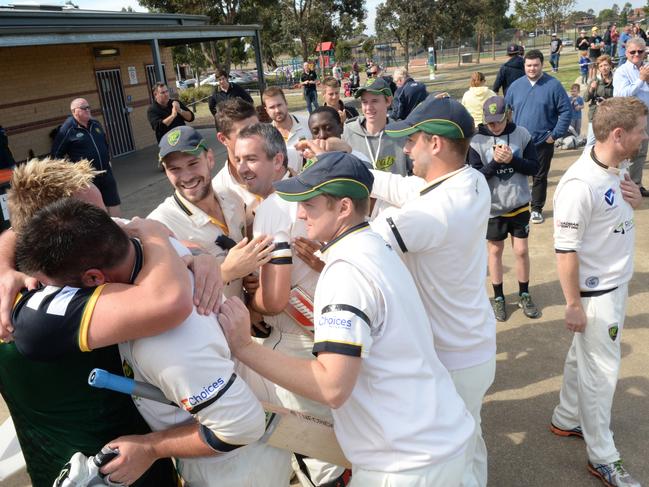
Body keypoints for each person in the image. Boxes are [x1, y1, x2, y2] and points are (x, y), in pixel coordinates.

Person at [220, 150, 475, 487]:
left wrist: (243, 347)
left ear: (343, 208)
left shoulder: (345, 272)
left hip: (405, 462)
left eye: (310, 204)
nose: (300, 213)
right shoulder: (373, 246)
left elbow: (331, 386)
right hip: (440, 438)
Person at [13, 200, 293, 487]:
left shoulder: (170, 343)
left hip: (235, 469)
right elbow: (139, 225)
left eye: (57, 288)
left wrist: (151, 448)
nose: (47, 292)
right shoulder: (133, 242)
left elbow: (242, 425)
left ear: (95, 278)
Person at [0, 159, 201, 487]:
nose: (114, 228)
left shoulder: (39, 269)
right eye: (100, 219)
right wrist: (155, 235)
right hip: (114, 472)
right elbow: (167, 300)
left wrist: (200, 256)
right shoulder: (47, 310)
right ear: (55, 232)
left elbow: (14, 231)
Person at [370, 95, 496, 487]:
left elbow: (360, 247)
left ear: (436, 144)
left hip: (450, 356)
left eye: (412, 140)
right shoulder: (470, 178)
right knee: (470, 439)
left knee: (448, 459)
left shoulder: (432, 213)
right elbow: (408, 188)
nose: (405, 148)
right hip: (472, 345)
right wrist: (353, 165)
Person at [234, 123, 349, 486]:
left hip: (297, 341)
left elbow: (275, 299)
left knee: (315, 449)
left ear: (278, 160)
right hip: (335, 330)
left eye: (252, 158)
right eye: (238, 159)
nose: (242, 167)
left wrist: (250, 300)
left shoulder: (272, 207)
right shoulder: (311, 191)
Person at [550, 97, 645, 487]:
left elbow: (611, 215)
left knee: (582, 359)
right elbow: (565, 250)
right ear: (619, 135)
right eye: (641, 129)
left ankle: (567, 417)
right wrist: (573, 304)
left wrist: (636, 200)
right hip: (596, 295)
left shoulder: (614, 165)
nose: (646, 135)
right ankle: (603, 456)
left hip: (613, 285)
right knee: (601, 374)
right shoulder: (578, 185)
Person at [147, 126, 274, 300]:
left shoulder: (232, 199)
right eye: (174, 169)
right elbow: (163, 295)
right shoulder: (160, 225)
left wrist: (245, 279)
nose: (186, 176)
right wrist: (226, 273)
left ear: (210, 159)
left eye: (193, 163)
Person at [468, 96, 540, 322]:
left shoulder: (522, 134)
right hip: (493, 208)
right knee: (495, 252)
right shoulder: (476, 141)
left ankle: (524, 293)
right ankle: (498, 297)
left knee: (520, 251)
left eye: (498, 121)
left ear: (507, 115)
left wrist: (513, 160)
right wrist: (496, 163)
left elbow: (534, 167)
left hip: (518, 204)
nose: (495, 127)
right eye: (490, 123)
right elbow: (475, 177)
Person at [505, 49, 571, 224]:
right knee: (516, 174)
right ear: (524, 66)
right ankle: (516, 206)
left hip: (543, 141)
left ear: (542, 65)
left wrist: (555, 135)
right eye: (528, 65)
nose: (532, 69)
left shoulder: (553, 85)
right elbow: (506, 110)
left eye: (535, 65)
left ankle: (536, 208)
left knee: (539, 176)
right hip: (519, 141)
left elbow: (566, 111)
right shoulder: (516, 86)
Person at [51, 98, 122, 216]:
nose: (88, 110)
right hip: (88, 178)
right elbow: (56, 155)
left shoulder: (95, 123)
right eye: (84, 108)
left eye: (89, 107)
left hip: (106, 172)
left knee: (114, 202)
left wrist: (108, 159)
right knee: (97, 210)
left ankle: (120, 229)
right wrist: (70, 172)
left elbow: (104, 143)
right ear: (74, 112)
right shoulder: (67, 129)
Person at [342, 78, 408, 176]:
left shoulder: (402, 134)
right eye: (364, 102)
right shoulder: (348, 133)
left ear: (388, 101)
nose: (368, 107)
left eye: (374, 101)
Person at [211, 98, 261, 227]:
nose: (255, 138)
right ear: (223, 139)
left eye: (258, 129)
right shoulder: (217, 191)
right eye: (244, 134)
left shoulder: (283, 163)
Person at [613, 37, 649, 197]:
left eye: (640, 51)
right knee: (629, 152)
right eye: (632, 51)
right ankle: (624, 188)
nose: (636, 54)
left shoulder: (647, 68)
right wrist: (641, 80)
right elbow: (622, 94)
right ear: (626, 53)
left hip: (646, 115)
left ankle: (636, 184)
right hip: (631, 117)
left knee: (642, 153)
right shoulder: (622, 71)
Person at [263, 86, 311, 171]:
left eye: (279, 105)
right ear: (266, 110)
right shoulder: (266, 137)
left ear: (286, 103)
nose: (277, 110)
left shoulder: (308, 123)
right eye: (272, 107)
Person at [584, 55, 614, 148]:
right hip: (595, 115)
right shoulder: (595, 80)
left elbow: (621, 97)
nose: (603, 68)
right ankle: (587, 161)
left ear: (610, 66)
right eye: (601, 66)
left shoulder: (616, 79)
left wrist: (608, 102)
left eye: (605, 65)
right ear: (598, 68)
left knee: (611, 141)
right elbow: (585, 98)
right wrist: (592, 89)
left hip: (611, 115)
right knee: (590, 143)